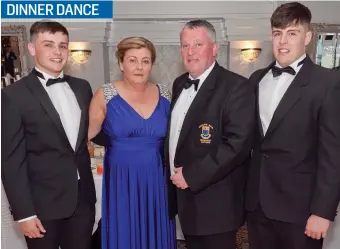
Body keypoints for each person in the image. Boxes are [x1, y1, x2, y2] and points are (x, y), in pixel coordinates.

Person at [1, 20, 105, 249]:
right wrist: (24, 214)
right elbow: (11, 162)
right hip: (42, 206)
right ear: (31, 48)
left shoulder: (82, 87)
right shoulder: (13, 96)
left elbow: (94, 132)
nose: (57, 52)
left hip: (82, 201)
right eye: (48, 45)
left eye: (63, 45)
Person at [245, 2, 340, 249]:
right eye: (278, 33)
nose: (283, 41)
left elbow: (333, 154)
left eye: (292, 33)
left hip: (301, 211)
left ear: (307, 37)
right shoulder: (256, 79)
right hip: (258, 207)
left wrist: (323, 211)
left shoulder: (328, 83)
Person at [165, 19, 255, 249]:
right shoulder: (179, 83)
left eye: (197, 45)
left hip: (216, 203)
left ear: (214, 49)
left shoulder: (236, 87)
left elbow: (237, 145)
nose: (190, 52)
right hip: (185, 200)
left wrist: (192, 175)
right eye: (185, 46)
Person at [88, 36, 176, 249]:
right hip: (121, 178)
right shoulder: (105, 94)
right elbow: (87, 136)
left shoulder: (164, 93)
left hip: (157, 178)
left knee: (156, 230)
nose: (139, 67)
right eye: (132, 60)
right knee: (125, 232)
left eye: (145, 61)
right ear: (121, 63)